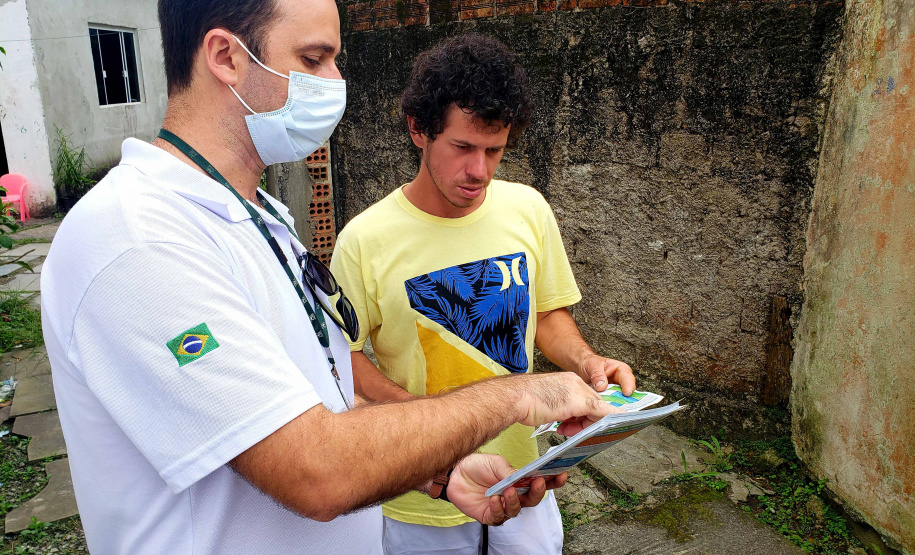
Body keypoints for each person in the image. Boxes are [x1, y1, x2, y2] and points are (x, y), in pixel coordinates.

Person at [39, 2, 616, 554]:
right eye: (314, 60)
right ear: (225, 56)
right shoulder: (139, 243)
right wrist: (523, 393)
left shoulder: (260, 220)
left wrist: (441, 466)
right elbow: (316, 472)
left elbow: (321, 399)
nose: (335, 81)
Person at [330, 34, 638, 554]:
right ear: (418, 131)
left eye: (495, 150)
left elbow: (546, 315)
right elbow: (344, 358)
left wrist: (588, 363)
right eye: (463, 147)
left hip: (526, 474)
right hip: (422, 492)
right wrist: (426, 431)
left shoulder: (528, 209)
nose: (480, 171)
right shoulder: (364, 240)